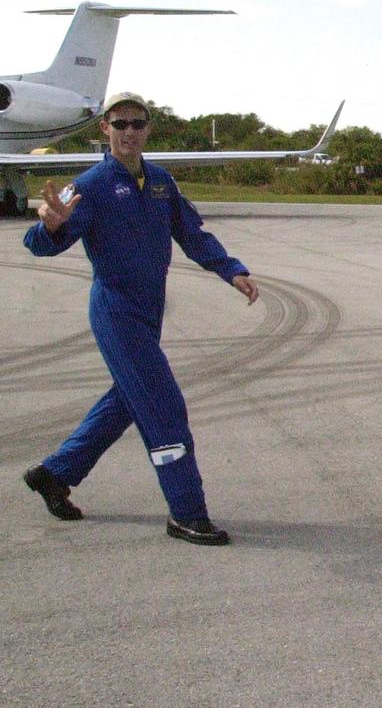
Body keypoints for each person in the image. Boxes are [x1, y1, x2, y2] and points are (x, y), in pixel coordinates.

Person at [21, 92, 259, 546]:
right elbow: (41, 242)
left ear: (148, 129)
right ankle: (187, 512)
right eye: (120, 123)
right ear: (104, 129)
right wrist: (49, 226)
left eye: (138, 123)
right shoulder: (88, 186)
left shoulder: (162, 182)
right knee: (164, 407)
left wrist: (232, 270)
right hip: (116, 312)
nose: (129, 131)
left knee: (128, 400)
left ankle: (55, 473)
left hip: (150, 311)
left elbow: (192, 233)